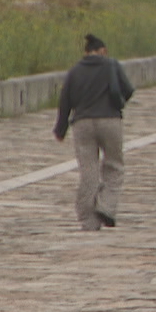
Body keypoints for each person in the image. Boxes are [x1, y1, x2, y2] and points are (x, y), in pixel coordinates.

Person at [53, 34, 134, 231]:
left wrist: (61, 129)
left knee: (88, 171)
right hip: (110, 121)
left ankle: (88, 219)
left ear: (85, 52)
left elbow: (65, 101)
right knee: (114, 166)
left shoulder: (74, 71)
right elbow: (128, 89)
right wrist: (117, 104)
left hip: (82, 124)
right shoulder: (111, 65)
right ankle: (106, 206)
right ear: (103, 51)